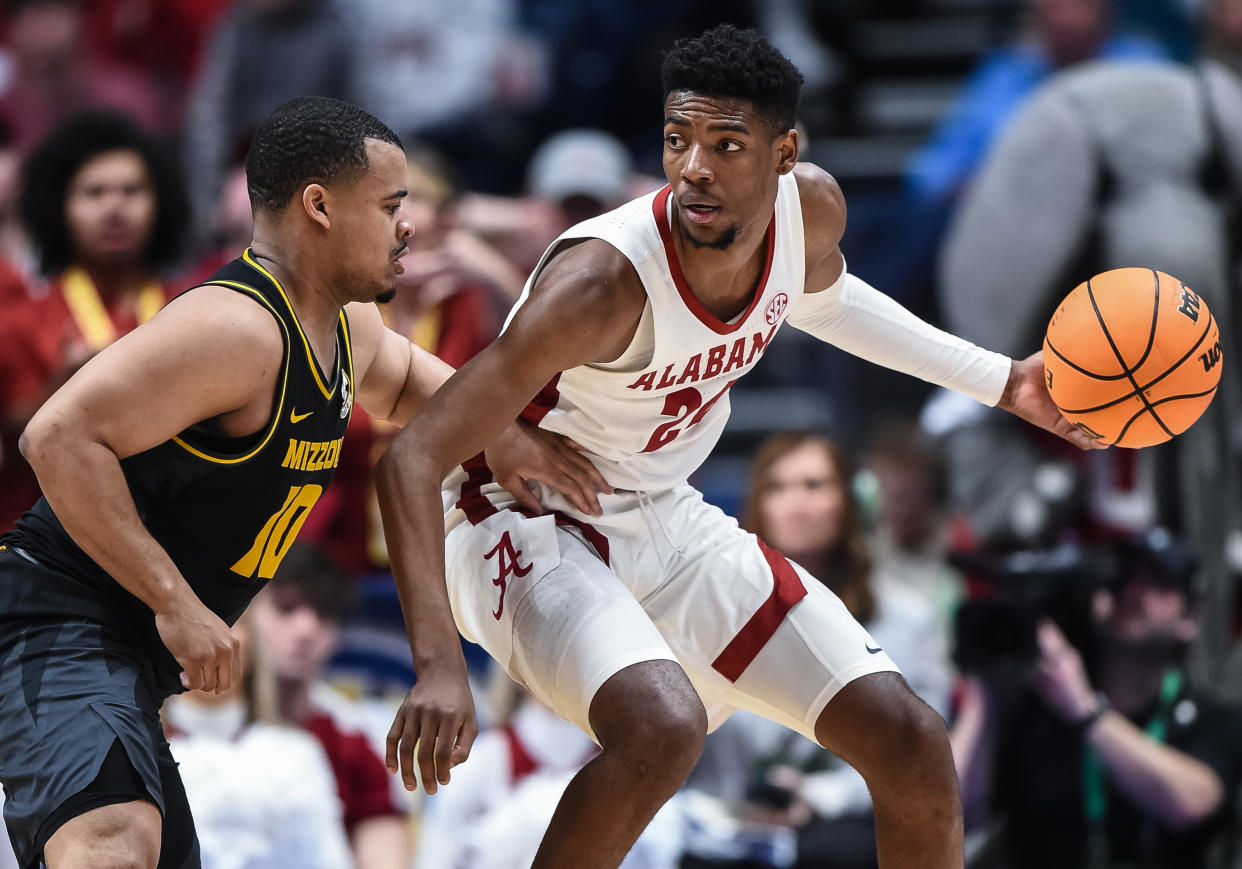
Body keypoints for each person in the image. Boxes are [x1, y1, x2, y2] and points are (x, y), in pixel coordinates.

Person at [377, 24, 1102, 869]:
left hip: (658, 508)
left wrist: (1004, 380)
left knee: (910, 736)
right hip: (514, 515)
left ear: (784, 153)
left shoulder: (811, 212)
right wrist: (437, 663)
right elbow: (413, 456)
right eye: (677, 140)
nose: (693, 167)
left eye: (726, 145)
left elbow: (824, 302)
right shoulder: (600, 284)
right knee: (662, 725)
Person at [0, 95, 601, 869]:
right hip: (56, 623)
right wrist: (176, 604)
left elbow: (410, 378)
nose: (407, 226)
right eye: (390, 205)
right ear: (319, 205)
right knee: (111, 845)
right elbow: (54, 436)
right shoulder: (236, 326)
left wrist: (510, 440)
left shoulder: (344, 327)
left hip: (125, 652)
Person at [953, 529, 1242, 868]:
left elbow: (1191, 804)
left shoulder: (1210, 719)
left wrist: (1085, 710)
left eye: (1159, 583)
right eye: (1122, 577)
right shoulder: (1035, 709)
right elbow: (953, 818)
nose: (1133, 592)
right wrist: (984, 699)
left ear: (1190, 619)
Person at [0, 110, 189, 532]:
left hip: (173, 541)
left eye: (131, 190)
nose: (114, 207)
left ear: (160, 201)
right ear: (59, 206)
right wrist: (61, 389)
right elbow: (12, 456)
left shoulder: (193, 307)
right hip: (47, 549)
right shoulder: (22, 322)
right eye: (94, 192)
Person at [250, 544, 412, 869]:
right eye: (286, 608)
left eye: (323, 612)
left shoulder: (353, 739)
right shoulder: (181, 728)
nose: (306, 629)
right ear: (243, 615)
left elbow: (386, 859)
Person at [163, 617, 352, 869]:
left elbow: (327, 858)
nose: (206, 632)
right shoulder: (137, 751)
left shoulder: (297, 754)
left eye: (227, 617)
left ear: (254, 645)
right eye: (190, 616)